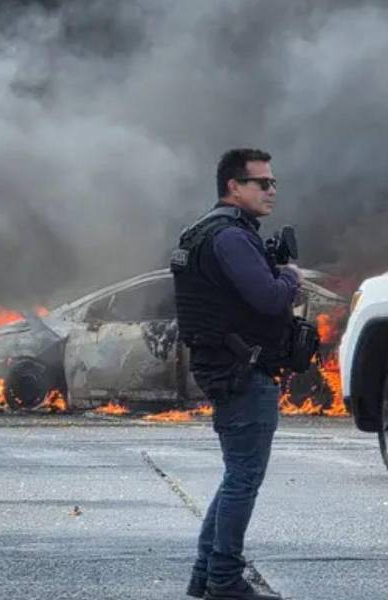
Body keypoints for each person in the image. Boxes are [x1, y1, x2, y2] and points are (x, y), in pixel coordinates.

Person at [171, 149, 304, 600]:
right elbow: (268, 298)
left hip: (228, 368)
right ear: (233, 186)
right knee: (244, 477)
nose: (271, 190)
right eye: (261, 182)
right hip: (242, 372)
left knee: (237, 474)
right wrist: (290, 277)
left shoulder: (205, 232)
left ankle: (205, 575)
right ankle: (224, 579)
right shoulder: (229, 237)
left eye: (272, 182)